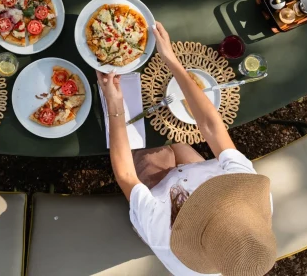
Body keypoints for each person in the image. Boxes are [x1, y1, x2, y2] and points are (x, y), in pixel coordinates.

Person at [98, 22, 276, 276]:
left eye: (203, 204)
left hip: (159, 198)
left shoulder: (162, 231)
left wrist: (114, 103)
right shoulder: (249, 195)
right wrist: (171, 59)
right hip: (194, 172)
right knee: (168, 128)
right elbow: (211, 127)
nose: (205, 196)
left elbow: (126, 176)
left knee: (146, 144)